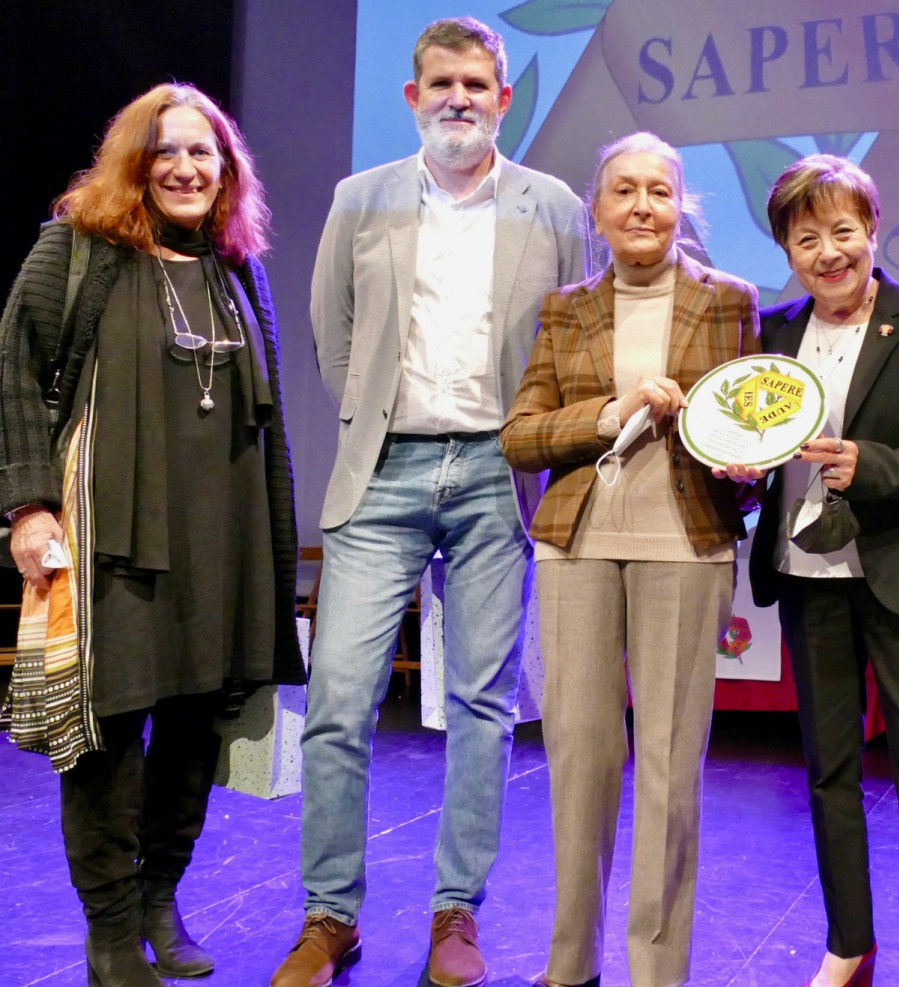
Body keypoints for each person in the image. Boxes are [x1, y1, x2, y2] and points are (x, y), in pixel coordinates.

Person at [269, 17, 589, 987]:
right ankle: (330, 918)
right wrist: (379, 424)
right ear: (411, 98)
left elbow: (572, 341)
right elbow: (332, 337)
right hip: (383, 473)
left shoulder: (553, 206)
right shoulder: (357, 200)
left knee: (480, 706)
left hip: (498, 470)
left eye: (476, 84)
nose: (458, 97)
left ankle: (458, 914)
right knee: (336, 701)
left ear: (501, 97)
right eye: (440, 82)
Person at [0, 83, 304, 986]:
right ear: (133, 163)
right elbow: (16, 371)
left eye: (203, 153)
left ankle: (161, 902)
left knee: (191, 730)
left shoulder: (234, 266)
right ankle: (108, 929)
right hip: (112, 537)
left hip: (222, 535)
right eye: (165, 151)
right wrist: (27, 504)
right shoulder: (79, 250)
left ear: (226, 171)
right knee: (103, 729)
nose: (184, 167)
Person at [500, 131, 759, 987]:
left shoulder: (729, 300)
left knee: (669, 766)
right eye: (624, 190)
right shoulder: (563, 307)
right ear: (598, 210)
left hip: (687, 547)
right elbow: (522, 434)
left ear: (681, 205)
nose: (642, 205)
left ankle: (657, 972)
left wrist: (748, 467)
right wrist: (608, 413)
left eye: (659, 189)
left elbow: (749, 430)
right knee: (577, 757)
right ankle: (569, 966)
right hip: (577, 547)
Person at [742, 154, 899, 987]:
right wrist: (739, 471)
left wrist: (865, 464)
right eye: (807, 238)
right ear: (786, 249)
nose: (828, 252)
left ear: (872, 230)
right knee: (828, 770)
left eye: (843, 231)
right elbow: (750, 445)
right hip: (808, 575)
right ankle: (849, 943)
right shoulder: (769, 334)